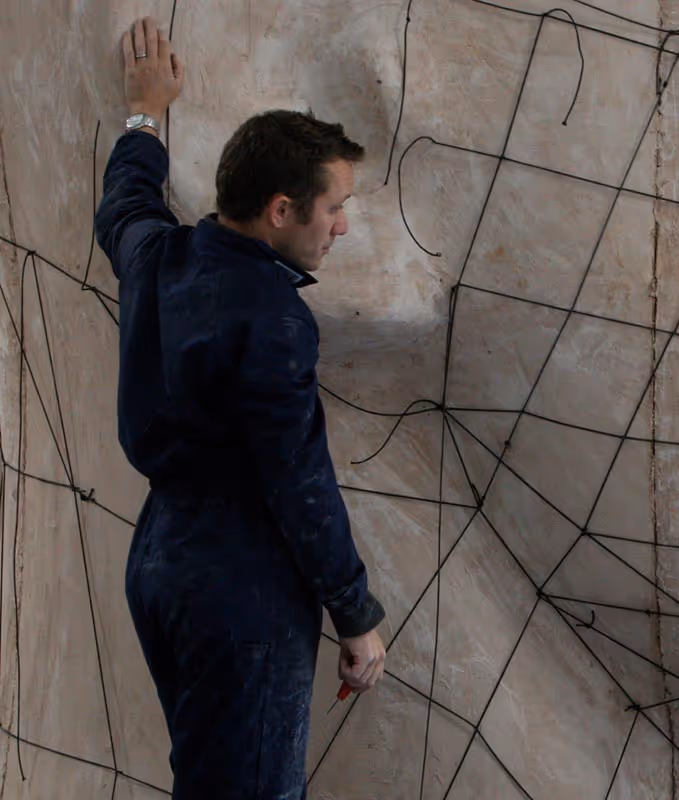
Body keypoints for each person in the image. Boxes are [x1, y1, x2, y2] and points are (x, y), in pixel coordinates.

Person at [95, 17, 387, 798]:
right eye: (334, 207)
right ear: (281, 210)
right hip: (240, 583)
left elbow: (124, 203)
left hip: (159, 563)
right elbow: (299, 481)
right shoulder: (273, 318)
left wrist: (144, 112)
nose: (342, 225)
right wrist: (355, 614)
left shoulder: (160, 257)